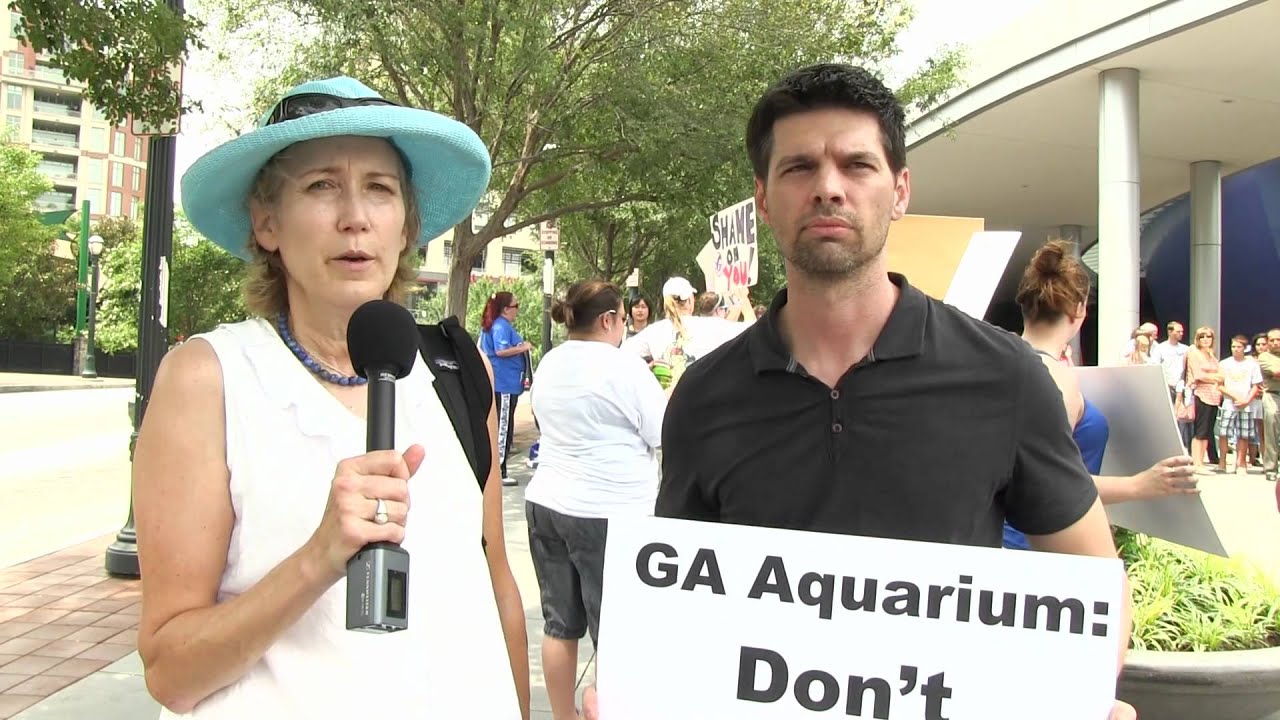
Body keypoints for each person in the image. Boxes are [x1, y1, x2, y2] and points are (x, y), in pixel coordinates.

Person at [638, 63, 1134, 720]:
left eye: (857, 165)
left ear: (899, 190)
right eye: (799, 168)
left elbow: (1094, 585)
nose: (828, 188)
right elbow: (677, 613)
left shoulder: (1007, 377)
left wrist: (1081, 692)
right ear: (763, 197)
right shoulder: (704, 398)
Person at [134, 77, 528, 718]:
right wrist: (320, 557)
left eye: (380, 188)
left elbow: (496, 587)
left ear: (406, 225)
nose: (356, 216)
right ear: (267, 222)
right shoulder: (210, 379)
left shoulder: (457, 371)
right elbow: (171, 670)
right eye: (321, 186)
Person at [525, 279, 667, 720]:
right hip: (608, 514)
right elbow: (662, 432)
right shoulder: (623, 368)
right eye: (623, 318)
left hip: (547, 503)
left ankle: (563, 715)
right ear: (608, 320)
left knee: (559, 626)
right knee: (616, 636)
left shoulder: (550, 361)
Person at [1005, 240, 1196, 550]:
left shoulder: (1003, 360)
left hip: (1010, 539)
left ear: (1025, 304)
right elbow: (1044, 481)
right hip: (1042, 545)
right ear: (1079, 310)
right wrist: (1139, 485)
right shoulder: (1053, 376)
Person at [622, 276, 753, 380]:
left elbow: (621, 355)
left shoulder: (653, 332)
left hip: (668, 407)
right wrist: (743, 299)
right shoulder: (709, 326)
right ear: (690, 300)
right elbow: (752, 332)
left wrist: (646, 370)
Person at [480, 291, 533, 486]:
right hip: (503, 384)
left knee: (504, 425)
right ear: (506, 309)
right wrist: (523, 347)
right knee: (503, 427)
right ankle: (500, 470)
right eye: (516, 306)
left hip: (507, 383)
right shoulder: (500, 327)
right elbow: (501, 350)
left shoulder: (498, 326)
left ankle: (499, 468)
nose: (517, 310)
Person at [1185, 326, 1224, 473]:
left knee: (1208, 430)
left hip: (1214, 396)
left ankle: (1201, 461)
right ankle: (1196, 463)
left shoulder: (1211, 355)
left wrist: (1213, 377)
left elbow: (1222, 375)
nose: (1205, 339)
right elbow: (1198, 375)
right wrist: (1213, 378)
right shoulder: (1193, 352)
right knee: (1200, 430)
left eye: (1208, 336)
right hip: (1201, 395)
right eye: (1202, 336)